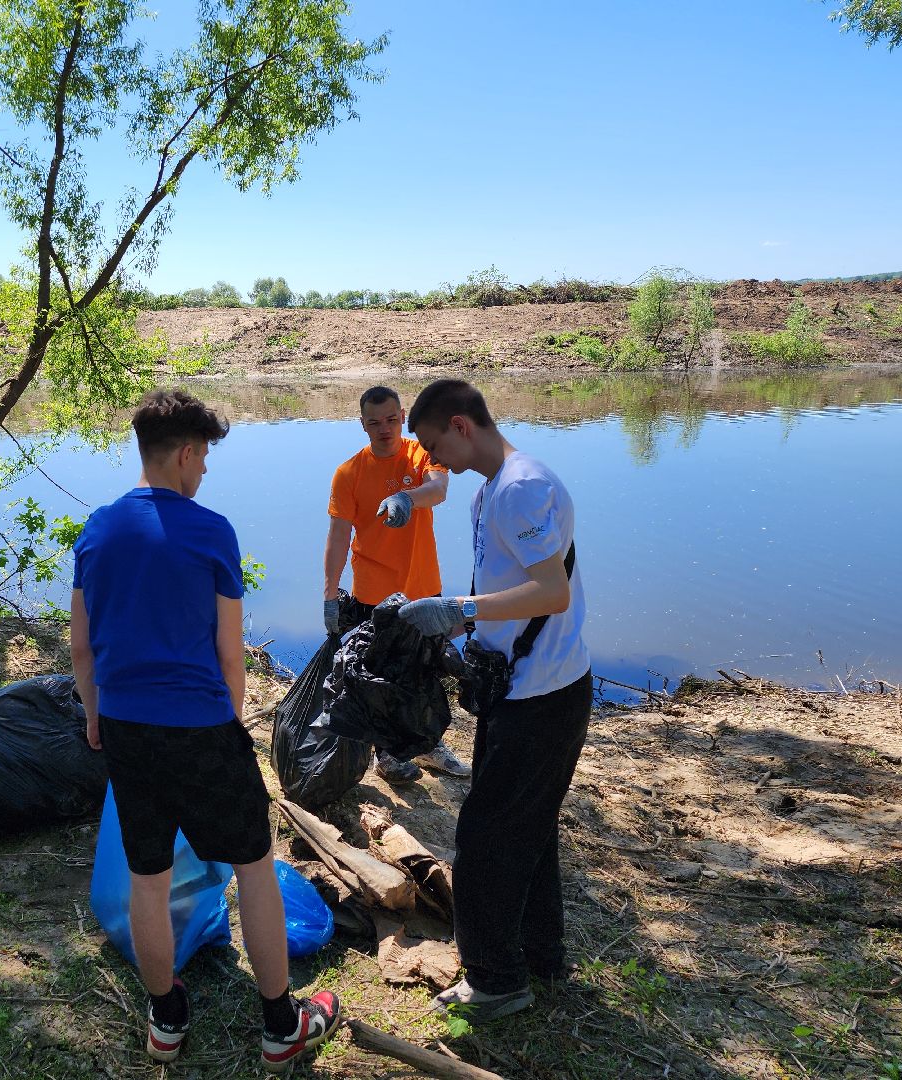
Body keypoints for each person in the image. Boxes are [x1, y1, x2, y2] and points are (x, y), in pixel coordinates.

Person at [71, 389, 341, 1073]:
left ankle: (165, 1018)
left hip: (128, 728)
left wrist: (95, 713)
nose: (206, 474)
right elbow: (229, 654)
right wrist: (229, 720)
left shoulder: (97, 530)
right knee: (254, 864)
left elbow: (82, 648)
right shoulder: (211, 530)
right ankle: (282, 1025)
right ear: (186, 453)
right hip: (200, 727)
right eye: (205, 459)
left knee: (149, 879)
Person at [397, 378, 591, 1024]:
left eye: (429, 445)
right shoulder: (490, 493)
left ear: (460, 425)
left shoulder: (520, 489)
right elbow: (515, 592)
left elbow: (550, 592)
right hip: (523, 689)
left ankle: (497, 980)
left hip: (544, 696)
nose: (430, 462)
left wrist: (462, 606)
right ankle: (541, 955)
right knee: (527, 831)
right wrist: (455, 624)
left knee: (483, 842)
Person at [323, 385, 469, 784]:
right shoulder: (349, 473)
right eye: (374, 422)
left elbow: (438, 490)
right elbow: (338, 536)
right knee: (382, 677)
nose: (384, 429)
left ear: (402, 416)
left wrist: (407, 497)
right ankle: (387, 754)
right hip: (375, 591)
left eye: (391, 420)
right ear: (363, 424)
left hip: (423, 584)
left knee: (428, 669)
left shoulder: (421, 454)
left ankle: (430, 745)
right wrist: (330, 594)